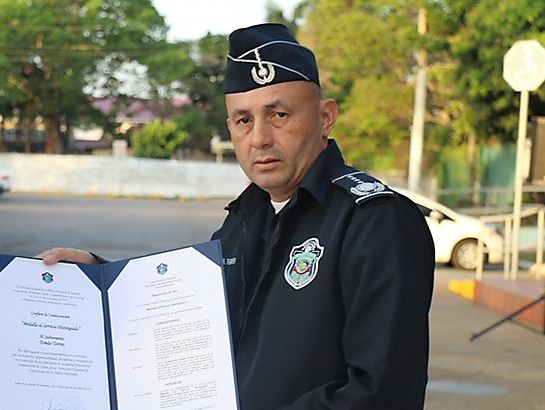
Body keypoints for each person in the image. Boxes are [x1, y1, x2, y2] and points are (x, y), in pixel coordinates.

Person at [39, 23, 435, 409]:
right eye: (244, 120)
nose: (259, 137)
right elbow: (184, 316)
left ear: (324, 117)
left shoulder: (374, 222)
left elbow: (383, 392)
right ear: (230, 127)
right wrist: (98, 280)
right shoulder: (244, 219)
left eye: (278, 115)